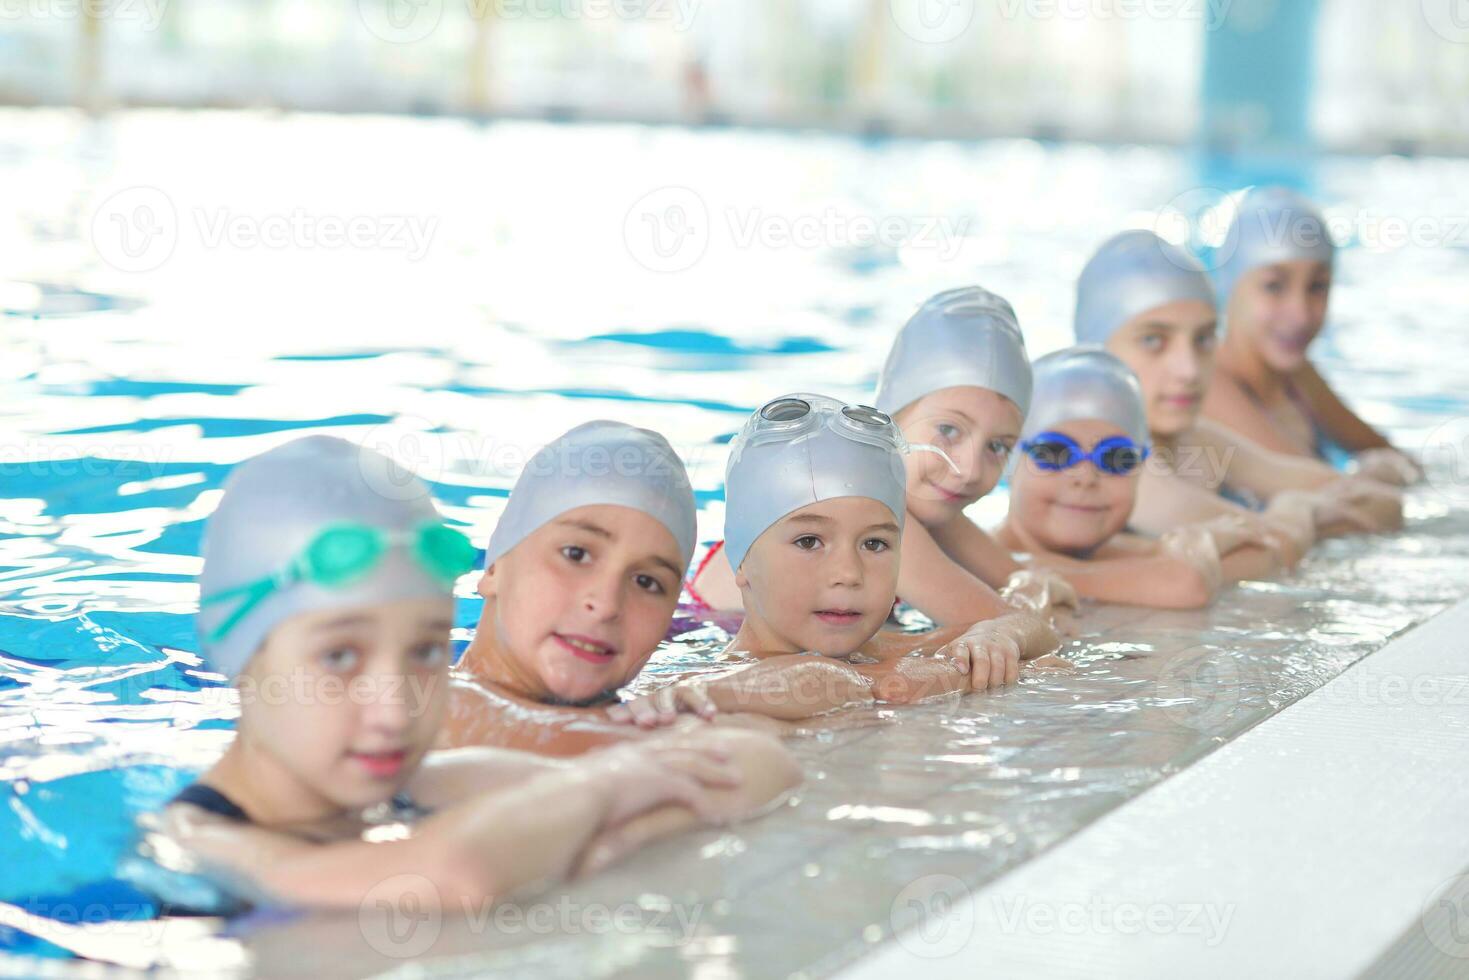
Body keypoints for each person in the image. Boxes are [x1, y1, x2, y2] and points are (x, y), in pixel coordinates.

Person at [137, 436, 799, 911]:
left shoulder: (418, 783)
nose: (395, 710)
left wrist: (599, 825)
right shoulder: (198, 841)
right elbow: (449, 875)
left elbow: (756, 768)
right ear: (234, 653)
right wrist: (606, 798)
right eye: (340, 657)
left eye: (424, 652)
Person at [619, 394, 1063, 727]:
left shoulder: (886, 648)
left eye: (874, 545)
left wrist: (997, 635)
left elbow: (1037, 630)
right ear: (741, 561)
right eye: (810, 541)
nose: (848, 574)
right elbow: (831, 681)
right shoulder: (721, 679)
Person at [688, 287, 1077, 626]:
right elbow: (1014, 626)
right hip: (706, 639)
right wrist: (1030, 594)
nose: (968, 469)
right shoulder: (876, 516)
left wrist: (1028, 588)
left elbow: (1028, 587)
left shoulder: (935, 508)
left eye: (997, 446)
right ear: (891, 422)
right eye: (948, 430)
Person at [1073, 228, 1404, 560]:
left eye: (1203, 339)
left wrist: (1298, 519)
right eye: (1153, 341)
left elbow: (1383, 504)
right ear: (1094, 351)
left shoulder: (1198, 441)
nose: (1188, 369)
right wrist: (1299, 507)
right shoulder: (1108, 467)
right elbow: (1275, 544)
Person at [995, 348, 1283, 608]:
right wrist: (1202, 540)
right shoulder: (987, 562)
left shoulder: (1119, 552)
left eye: (1115, 458)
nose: (1085, 477)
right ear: (1008, 456)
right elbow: (1185, 582)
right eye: (1055, 452)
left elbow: (1265, 554)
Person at [1201, 187, 1421, 484]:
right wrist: (1379, 474)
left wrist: (1384, 469)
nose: (1300, 314)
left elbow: (1392, 457)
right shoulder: (1207, 384)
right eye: (1274, 286)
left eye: (1317, 286)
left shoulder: (1297, 376)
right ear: (1228, 289)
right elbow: (1318, 492)